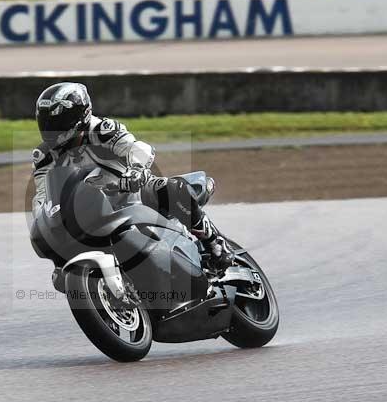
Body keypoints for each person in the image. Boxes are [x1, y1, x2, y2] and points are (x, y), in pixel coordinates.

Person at [31, 82, 235, 271]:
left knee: (172, 189)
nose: (50, 130)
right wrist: (43, 220)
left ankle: (215, 243)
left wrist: (136, 170)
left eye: (56, 122)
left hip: (131, 192)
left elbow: (138, 148)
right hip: (90, 210)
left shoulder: (101, 131)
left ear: (79, 115)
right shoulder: (45, 157)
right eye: (46, 123)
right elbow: (42, 196)